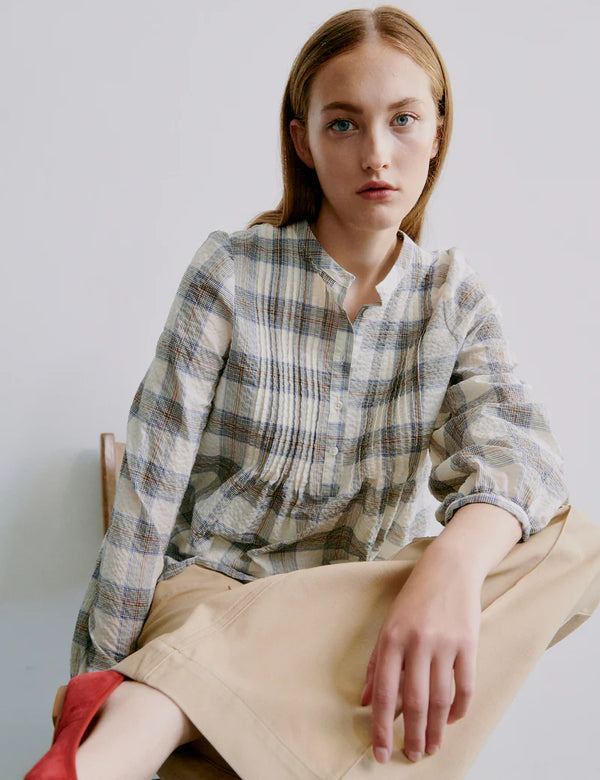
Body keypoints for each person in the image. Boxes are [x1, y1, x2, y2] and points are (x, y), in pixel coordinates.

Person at [26, 5, 600, 780]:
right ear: (302, 140)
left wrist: (451, 569)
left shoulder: (453, 299)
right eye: (344, 124)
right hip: (212, 596)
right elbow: (147, 498)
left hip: (351, 623)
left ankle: (160, 714)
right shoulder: (231, 272)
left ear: (439, 130)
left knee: (573, 543)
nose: (377, 153)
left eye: (403, 120)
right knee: (317, 705)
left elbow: (523, 457)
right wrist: (93, 677)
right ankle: (154, 714)